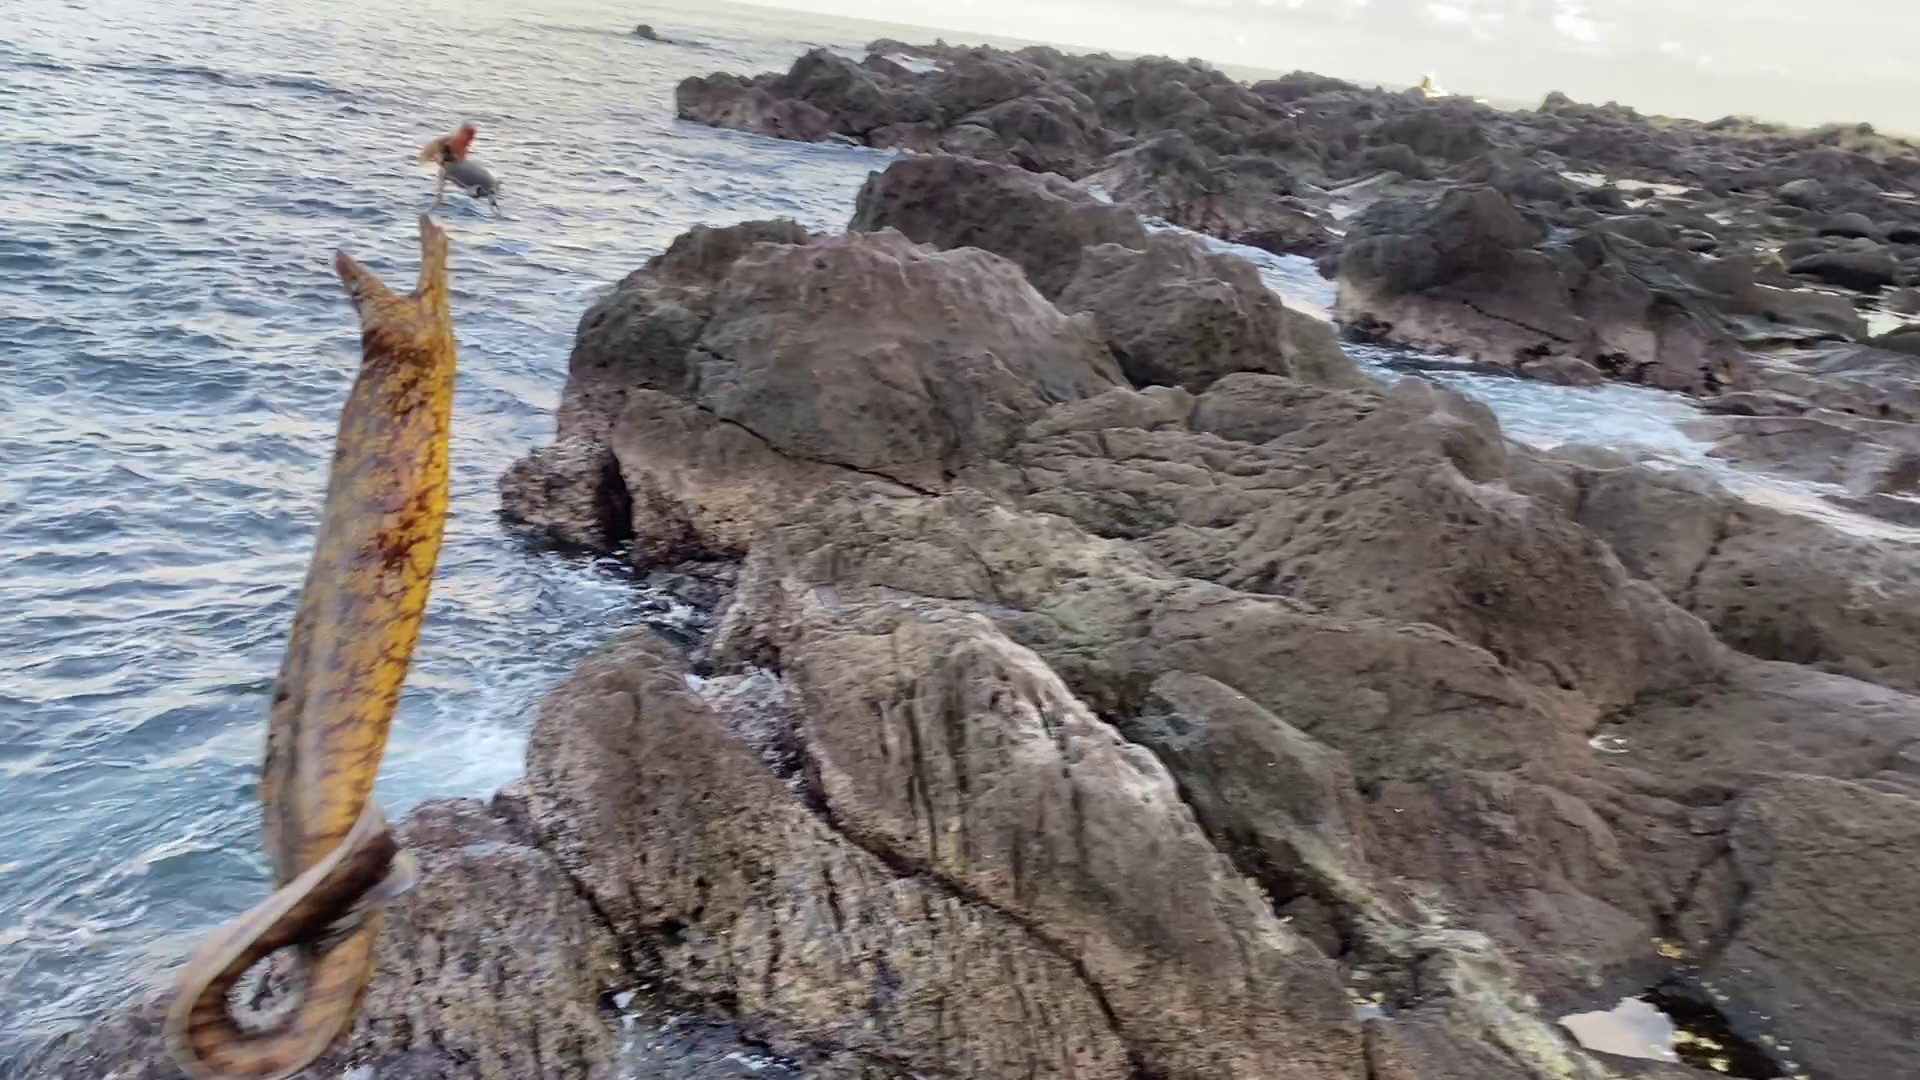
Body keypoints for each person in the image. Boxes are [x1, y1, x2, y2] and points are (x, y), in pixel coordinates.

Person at [417, 121, 499, 212]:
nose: (470, 140)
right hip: (454, 171)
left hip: (461, 172)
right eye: (469, 136)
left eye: (471, 137)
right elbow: (443, 160)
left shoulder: (461, 148)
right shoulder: (449, 147)